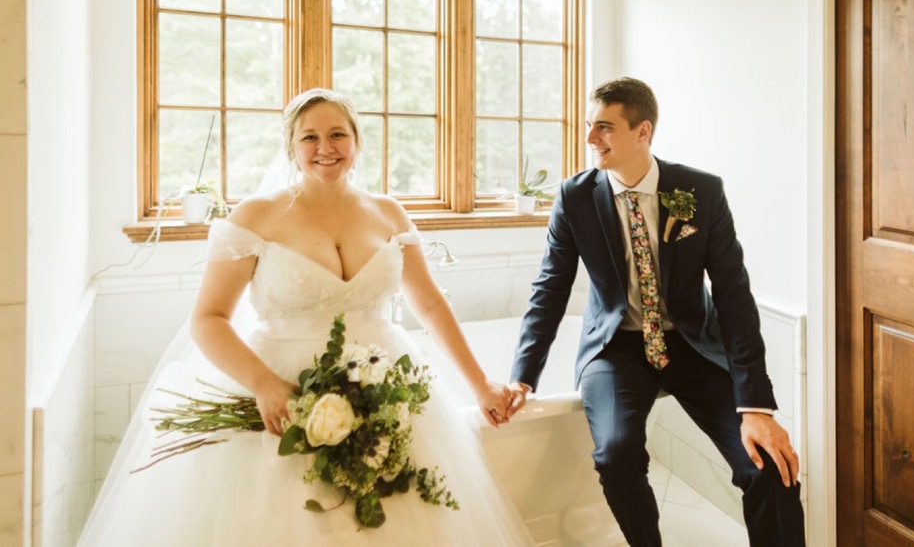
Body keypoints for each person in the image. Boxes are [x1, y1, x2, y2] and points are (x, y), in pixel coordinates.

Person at [79, 88, 532, 546]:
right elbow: (209, 319)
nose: (325, 148)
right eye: (309, 137)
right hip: (283, 394)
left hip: (387, 385)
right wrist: (264, 385)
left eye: (337, 133)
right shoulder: (258, 215)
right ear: (291, 148)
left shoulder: (389, 213)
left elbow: (430, 305)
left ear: (356, 140)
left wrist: (481, 386)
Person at [506, 77, 806, 546]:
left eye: (603, 127)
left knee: (766, 463)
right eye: (589, 126)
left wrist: (756, 405)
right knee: (617, 454)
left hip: (691, 343)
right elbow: (550, 290)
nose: (590, 139)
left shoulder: (700, 192)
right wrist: (523, 375)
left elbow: (733, 294)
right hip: (617, 347)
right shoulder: (574, 198)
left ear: (642, 131)